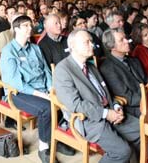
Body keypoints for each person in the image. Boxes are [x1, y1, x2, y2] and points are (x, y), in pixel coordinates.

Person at [54, 29, 141, 163]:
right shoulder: (63, 70)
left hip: (109, 111)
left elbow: (105, 92)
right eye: (86, 42)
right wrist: (106, 114)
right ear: (72, 46)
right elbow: (75, 105)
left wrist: (116, 106)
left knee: (143, 130)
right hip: (89, 121)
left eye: (91, 41)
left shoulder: (91, 66)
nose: (92, 45)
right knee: (122, 151)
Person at [0, 16, 71, 163]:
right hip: (19, 93)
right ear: (16, 29)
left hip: (41, 88)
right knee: (47, 108)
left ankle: (55, 138)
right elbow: (16, 83)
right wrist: (43, 95)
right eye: (25, 26)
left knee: (63, 98)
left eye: (30, 25)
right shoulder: (9, 51)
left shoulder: (35, 48)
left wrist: (51, 88)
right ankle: (44, 147)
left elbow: (46, 70)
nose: (30, 28)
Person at [101, 28, 148, 117]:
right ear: (112, 47)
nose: (127, 41)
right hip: (134, 108)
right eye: (121, 40)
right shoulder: (108, 68)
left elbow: (147, 80)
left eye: (125, 38)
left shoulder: (134, 60)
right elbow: (128, 97)